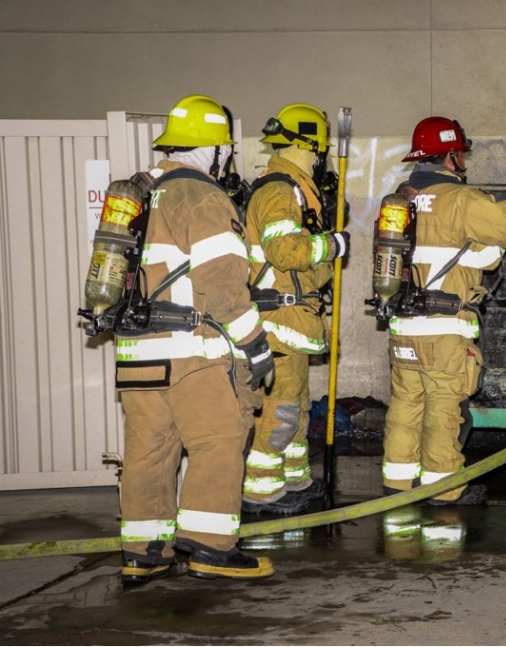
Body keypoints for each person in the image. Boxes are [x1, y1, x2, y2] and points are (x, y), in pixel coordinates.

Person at [117, 94, 275, 583]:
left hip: (137, 354)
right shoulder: (201, 196)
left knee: (149, 451)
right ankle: (211, 548)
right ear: (216, 149)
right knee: (219, 441)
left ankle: (144, 552)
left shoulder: (139, 193)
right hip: (193, 355)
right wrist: (256, 346)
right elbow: (224, 287)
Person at [382, 116, 506, 505]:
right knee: (444, 409)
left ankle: (397, 486)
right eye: (460, 154)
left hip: (402, 324)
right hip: (443, 327)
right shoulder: (461, 200)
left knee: (406, 405)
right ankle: (444, 491)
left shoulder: (401, 199)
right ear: (451, 156)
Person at [241, 103, 350, 515]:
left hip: (290, 319)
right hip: (276, 320)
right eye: (320, 149)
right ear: (310, 147)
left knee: (296, 407)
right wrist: (332, 245)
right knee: (280, 410)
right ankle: (261, 492)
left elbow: (302, 270)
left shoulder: (294, 191)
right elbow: (286, 252)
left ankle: (293, 481)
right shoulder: (279, 191)